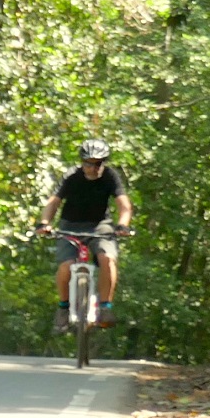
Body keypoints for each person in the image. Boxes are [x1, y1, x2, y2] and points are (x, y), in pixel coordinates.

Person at [35, 138, 134, 330]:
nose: (94, 167)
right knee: (66, 266)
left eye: (99, 163)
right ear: (82, 162)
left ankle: (105, 307)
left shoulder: (110, 176)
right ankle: (64, 307)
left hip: (100, 225)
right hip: (69, 225)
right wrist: (44, 223)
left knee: (108, 259)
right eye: (90, 163)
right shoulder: (72, 176)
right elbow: (54, 202)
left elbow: (124, 205)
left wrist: (123, 225)